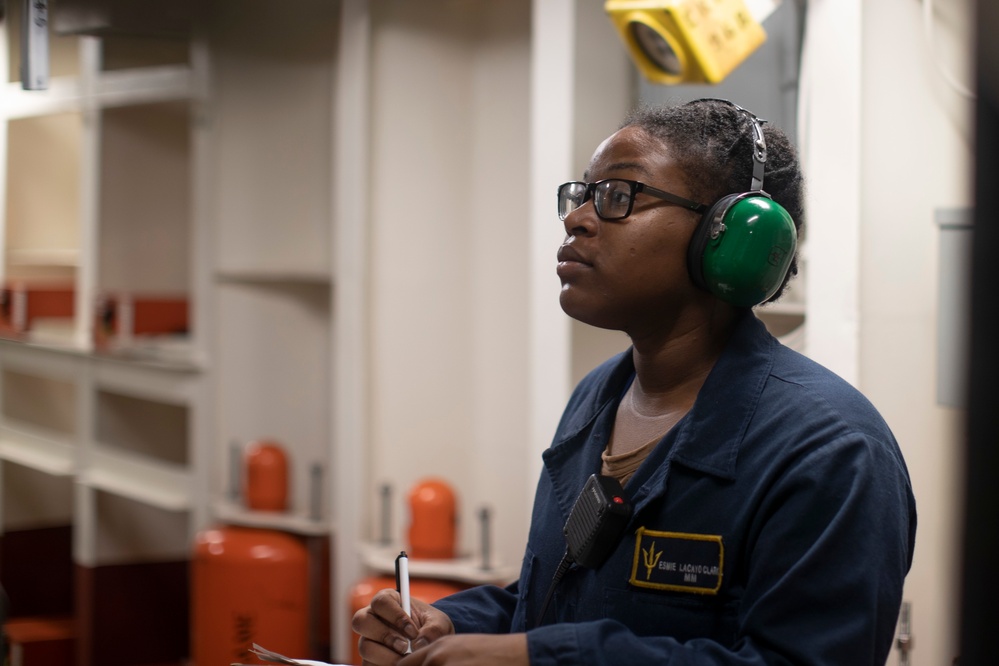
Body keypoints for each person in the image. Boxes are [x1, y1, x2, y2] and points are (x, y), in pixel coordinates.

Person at [352, 98, 917, 665]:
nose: (577, 218)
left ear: (728, 239)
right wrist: (452, 624)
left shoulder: (831, 451)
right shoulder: (596, 401)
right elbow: (555, 603)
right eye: (582, 194)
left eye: (619, 196)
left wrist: (547, 660)